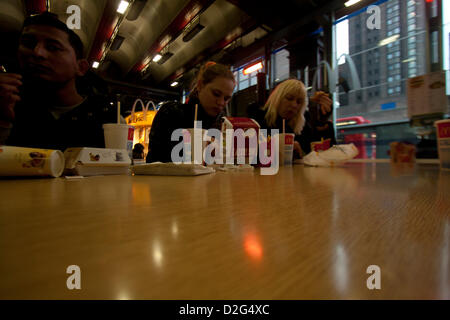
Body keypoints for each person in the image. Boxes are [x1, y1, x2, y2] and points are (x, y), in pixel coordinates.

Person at [0, 12, 117, 150]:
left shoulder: (106, 117)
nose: (37, 53)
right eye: (28, 43)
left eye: (52, 47)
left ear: (81, 67)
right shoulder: (8, 105)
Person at [146, 62, 235, 163]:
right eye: (216, 94)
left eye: (227, 98)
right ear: (200, 85)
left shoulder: (224, 125)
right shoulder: (171, 113)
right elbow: (154, 162)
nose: (221, 102)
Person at [247, 79, 335, 158]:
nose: (294, 105)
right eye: (289, 98)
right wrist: (277, 148)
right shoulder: (257, 120)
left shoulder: (302, 125)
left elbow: (323, 155)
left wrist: (322, 122)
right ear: (278, 98)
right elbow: (245, 155)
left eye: (299, 102)